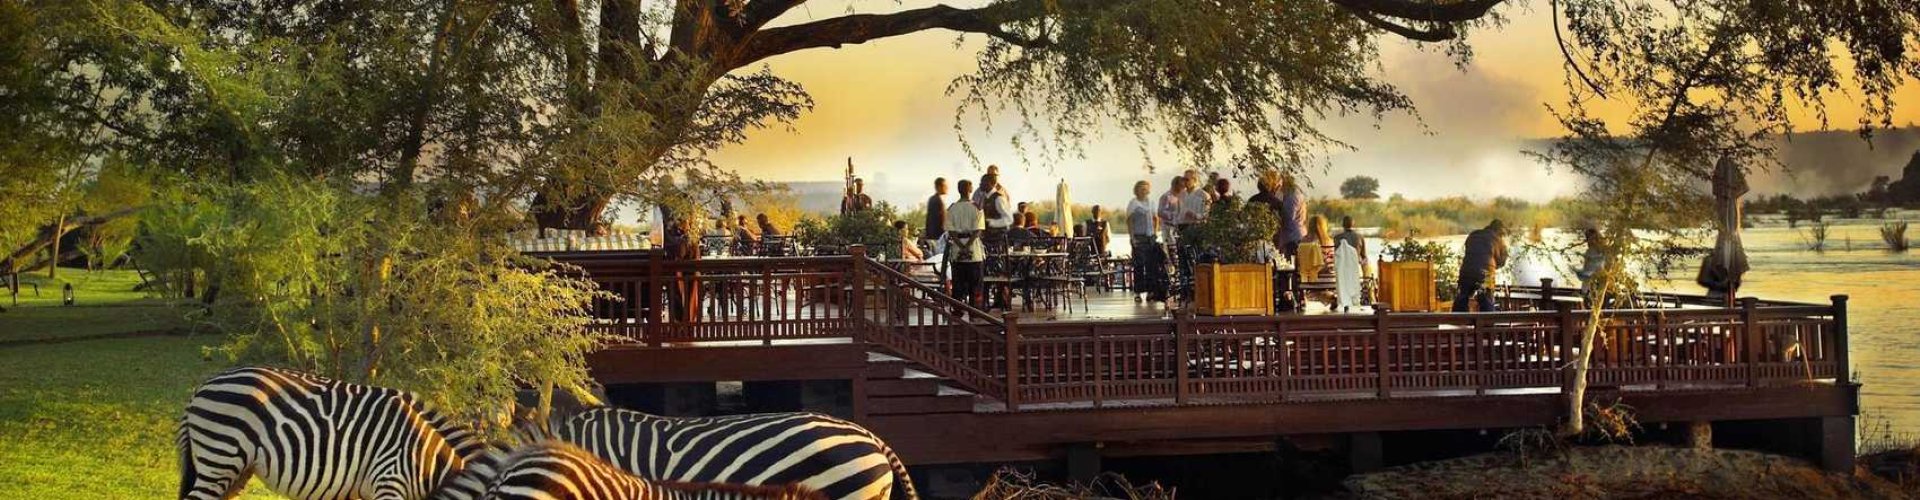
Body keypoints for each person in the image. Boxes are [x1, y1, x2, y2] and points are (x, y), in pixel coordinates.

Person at [1452, 220, 1510, 313]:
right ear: (1499, 230)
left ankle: (1458, 322)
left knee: (1462, 296)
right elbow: (1502, 260)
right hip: (1486, 274)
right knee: (1486, 299)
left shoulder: (1473, 235)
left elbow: (1468, 250)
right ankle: (1487, 325)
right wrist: (1495, 266)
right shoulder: (1498, 239)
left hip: (1467, 270)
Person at [946, 179, 986, 308]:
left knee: (958, 283)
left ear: (959, 190)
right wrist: (967, 246)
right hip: (973, 250)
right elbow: (977, 231)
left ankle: (957, 311)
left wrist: (961, 246)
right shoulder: (977, 208)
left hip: (957, 250)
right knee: (975, 284)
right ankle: (975, 312)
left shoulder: (952, 209)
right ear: (970, 190)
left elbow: (951, 231)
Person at [1126, 181, 1168, 303]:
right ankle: (1138, 292)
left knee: (1151, 265)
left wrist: (1155, 232)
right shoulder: (1133, 203)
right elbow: (1129, 220)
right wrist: (1132, 237)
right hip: (1139, 236)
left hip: (1150, 237)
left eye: (1146, 189)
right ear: (1137, 190)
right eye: (1141, 189)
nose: (1144, 191)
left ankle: (1151, 291)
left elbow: (1156, 218)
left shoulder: (1151, 202)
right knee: (1139, 265)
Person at [1277, 174, 1307, 262]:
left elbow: (1288, 217)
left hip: (1292, 236)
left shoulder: (1291, 197)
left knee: (1291, 264)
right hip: (1299, 232)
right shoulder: (1298, 194)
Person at [980, 173, 1015, 248]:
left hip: (998, 240)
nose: (980, 184)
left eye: (982, 182)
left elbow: (1009, 219)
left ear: (989, 183)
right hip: (988, 238)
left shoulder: (999, 199)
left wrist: (990, 222)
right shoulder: (985, 198)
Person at [1576, 227, 1608, 296]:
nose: (1590, 241)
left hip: (1593, 285)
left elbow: (1590, 269)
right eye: (1589, 239)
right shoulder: (1595, 251)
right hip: (1590, 286)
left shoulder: (1594, 251)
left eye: (1593, 239)